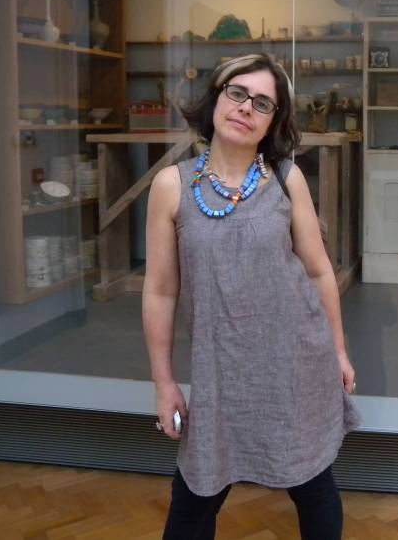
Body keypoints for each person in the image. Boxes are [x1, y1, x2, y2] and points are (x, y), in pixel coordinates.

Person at [142, 53, 361, 540]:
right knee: (195, 496)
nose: (245, 108)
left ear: (272, 122)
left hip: (295, 363)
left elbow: (320, 272)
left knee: (312, 485)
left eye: (262, 103)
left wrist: (339, 350)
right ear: (217, 100)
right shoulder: (171, 187)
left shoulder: (287, 179)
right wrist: (164, 383)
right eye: (237, 93)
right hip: (219, 370)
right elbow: (159, 291)